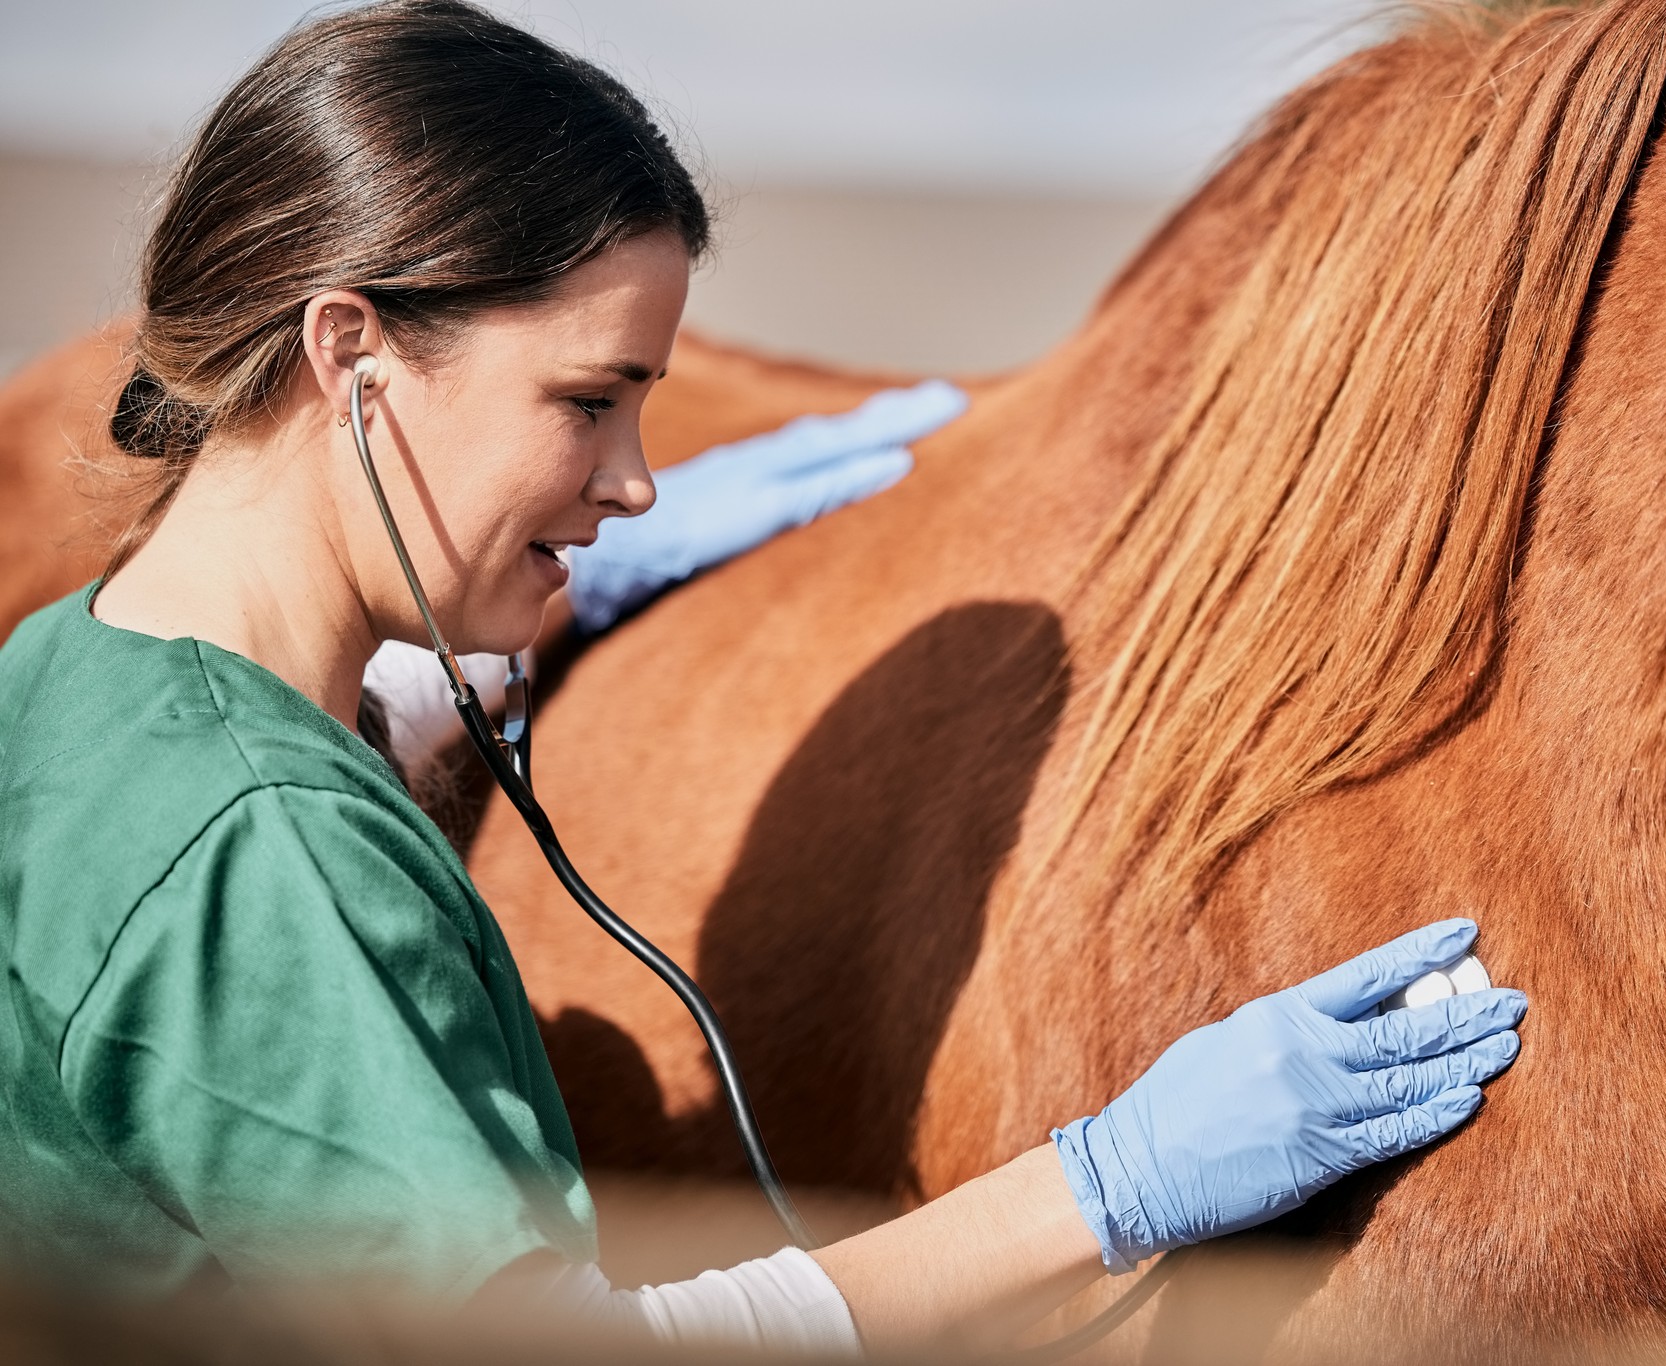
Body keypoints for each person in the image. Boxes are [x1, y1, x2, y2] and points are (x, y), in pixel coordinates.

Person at [0, 1, 1527, 1355]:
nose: (638, 484)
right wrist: (1108, 1182)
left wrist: (451, 683)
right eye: (589, 402)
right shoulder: (261, 847)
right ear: (355, 355)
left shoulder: (72, 664)